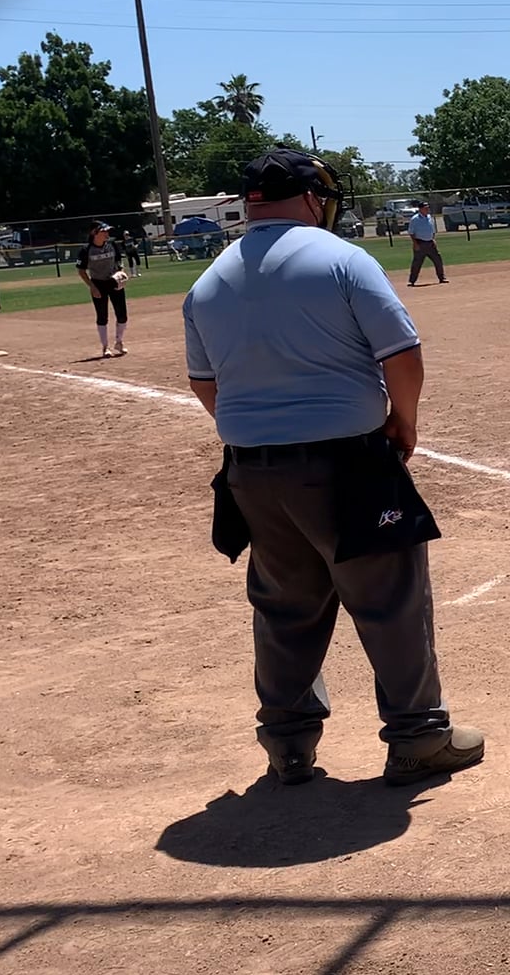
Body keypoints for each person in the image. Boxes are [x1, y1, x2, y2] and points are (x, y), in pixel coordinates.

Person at [182, 148, 484, 788]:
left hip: (251, 472)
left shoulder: (208, 281)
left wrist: (259, 431)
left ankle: (288, 744)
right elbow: (402, 354)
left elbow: (205, 384)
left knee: (285, 607)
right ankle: (418, 736)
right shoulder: (343, 259)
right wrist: (403, 420)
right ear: (312, 198)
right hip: (348, 463)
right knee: (390, 599)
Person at [76, 221, 131, 357]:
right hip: (98, 284)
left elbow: (119, 262)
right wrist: (92, 286)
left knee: (122, 315)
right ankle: (105, 347)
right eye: (103, 231)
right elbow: (81, 270)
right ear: (94, 233)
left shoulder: (112, 245)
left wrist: (121, 273)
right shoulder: (86, 250)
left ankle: (119, 342)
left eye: (107, 231)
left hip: (114, 282)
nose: (107, 233)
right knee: (102, 316)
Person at [406, 203, 446, 287]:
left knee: (438, 260)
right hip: (420, 243)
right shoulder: (415, 219)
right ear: (420, 209)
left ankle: (442, 278)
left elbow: (432, 230)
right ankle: (412, 281)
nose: (427, 209)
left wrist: (433, 239)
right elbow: (411, 232)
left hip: (430, 243)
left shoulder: (429, 217)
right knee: (417, 263)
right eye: (425, 208)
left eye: (428, 208)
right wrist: (415, 243)